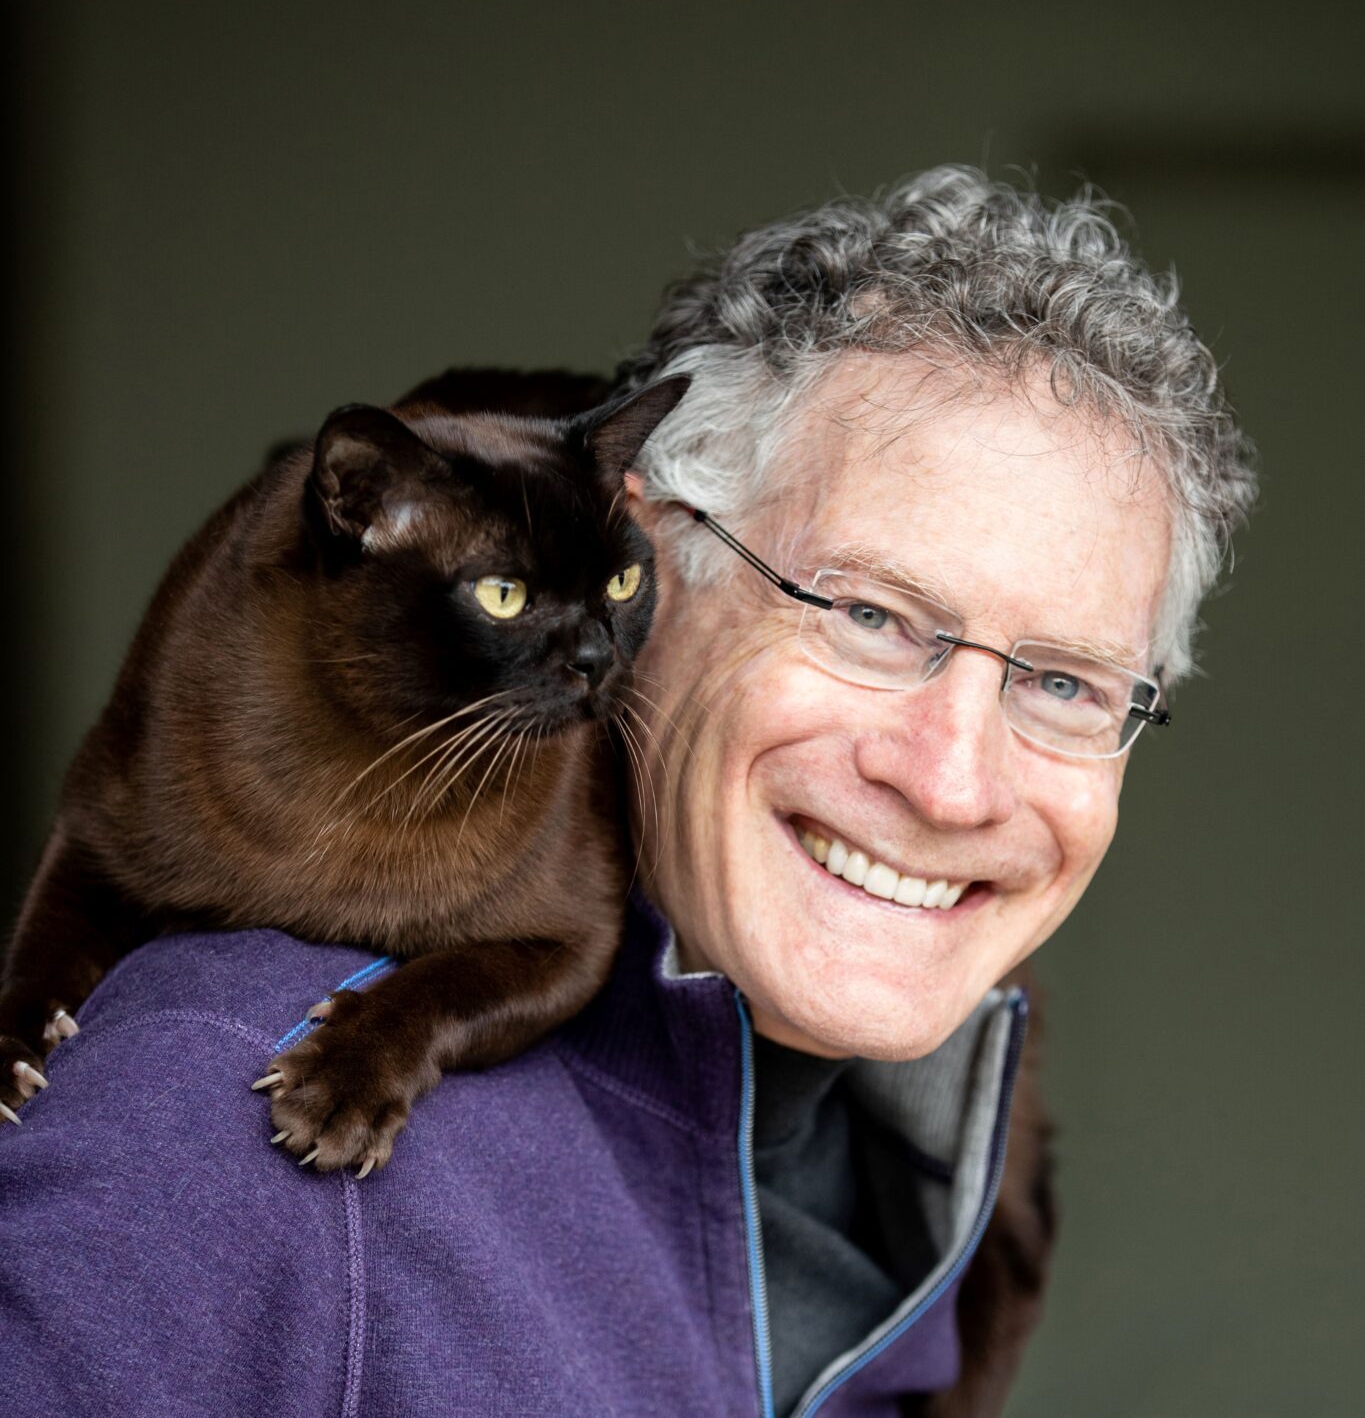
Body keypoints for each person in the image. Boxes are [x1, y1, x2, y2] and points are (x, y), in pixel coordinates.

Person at [0, 167, 1254, 1416]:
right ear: (660, 552)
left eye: (1065, 683)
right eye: (870, 615)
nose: (951, 778)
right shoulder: (215, 1109)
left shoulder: (940, 1176)